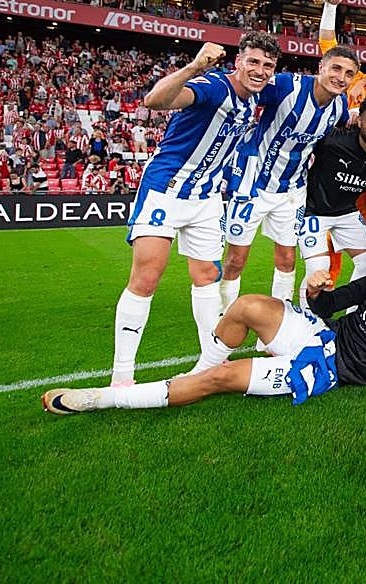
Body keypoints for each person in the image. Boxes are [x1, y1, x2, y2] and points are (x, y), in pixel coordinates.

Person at [42, 233, 366, 414]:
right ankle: (198, 369)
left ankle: (99, 399)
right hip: (321, 337)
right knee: (249, 304)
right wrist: (313, 291)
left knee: (222, 380)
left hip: (326, 369)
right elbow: (328, 306)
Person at [111, 34, 279, 387]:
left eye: (267, 65)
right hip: (166, 189)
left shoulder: (254, 99)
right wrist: (195, 65)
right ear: (238, 62)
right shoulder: (214, 86)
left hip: (206, 198)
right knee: (147, 277)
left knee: (207, 276)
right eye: (253, 62)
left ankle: (209, 362)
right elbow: (155, 100)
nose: (260, 70)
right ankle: (122, 375)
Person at [220, 45, 359, 310]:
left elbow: (348, 120)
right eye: (336, 68)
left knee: (286, 259)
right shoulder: (286, 86)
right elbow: (245, 88)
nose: (341, 77)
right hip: (252, 185)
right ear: (321, 67)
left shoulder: (339, 104)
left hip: (293, 190)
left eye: (349, 73)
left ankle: (279, 320)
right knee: (236, 260)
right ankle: (224, 313)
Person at [298, 95, 366, 301]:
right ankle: (307, 316)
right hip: (312, 212)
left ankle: (353, 312)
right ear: (360, 121)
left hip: (347, 212)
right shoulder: (332, 141)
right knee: (319, 267)